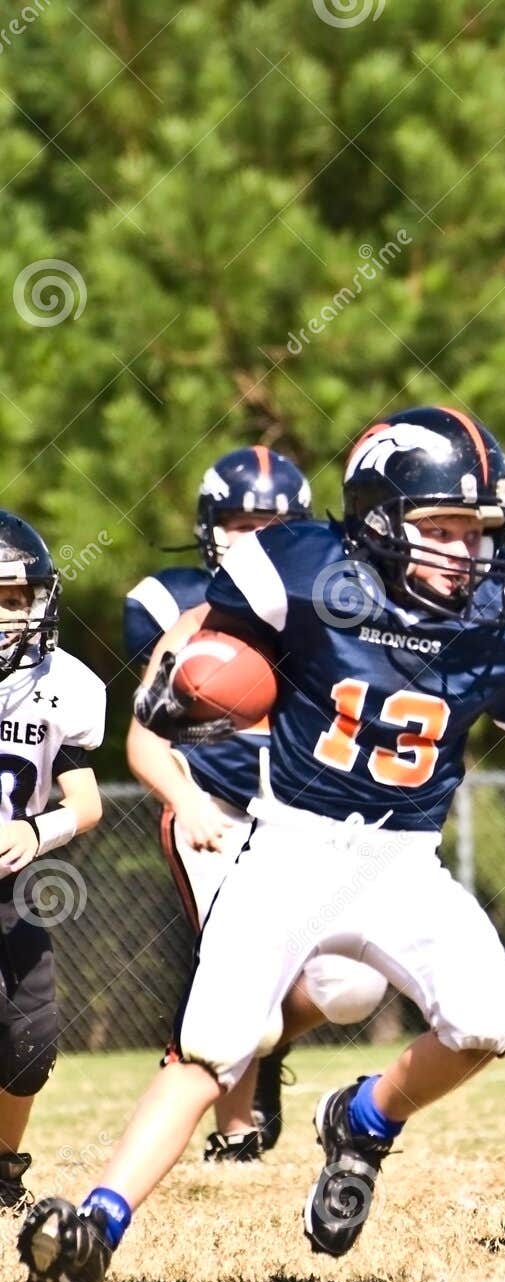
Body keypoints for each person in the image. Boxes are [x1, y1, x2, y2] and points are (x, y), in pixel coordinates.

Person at [16, 405, 505, 1282]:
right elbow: (201, 660)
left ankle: (362, 1120)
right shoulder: (301, 567)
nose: (464, 551)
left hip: (405, 859)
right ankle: (95, 1228)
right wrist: (188, 684)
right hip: (289, 845)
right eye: (441, 527)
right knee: (211, 1046)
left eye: (477, 529)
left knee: (487, 1016)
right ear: (376, 516)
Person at [123, 446, 388, 1161]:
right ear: (211, 526)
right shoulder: (171, 604)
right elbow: (144, 740)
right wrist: (185, 796)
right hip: (212, 808)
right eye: (240, 522)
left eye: (273, 523)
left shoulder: (331, 608)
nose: (254, 537)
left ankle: (264, 1051)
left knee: (354, 986)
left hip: (302, 820)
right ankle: (235, 1133)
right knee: (243, 990)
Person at [0, 513, 105, 1213]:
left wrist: (35, 835)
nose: (9, 617)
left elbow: (87, 804)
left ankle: (3, 1167)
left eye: (15, 598)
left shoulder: (64, 683)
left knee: (32, 1044)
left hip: (13, 883)